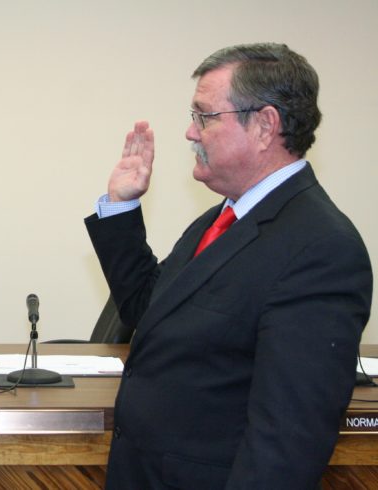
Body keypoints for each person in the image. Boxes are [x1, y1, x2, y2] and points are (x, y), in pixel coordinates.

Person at [85, 43, 373, 489]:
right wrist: (121, 207)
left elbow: (286, 443)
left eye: (204, 116)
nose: (190, 132)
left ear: (264, 125)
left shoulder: (321, 249)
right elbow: (150, 311)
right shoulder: (225, 216)